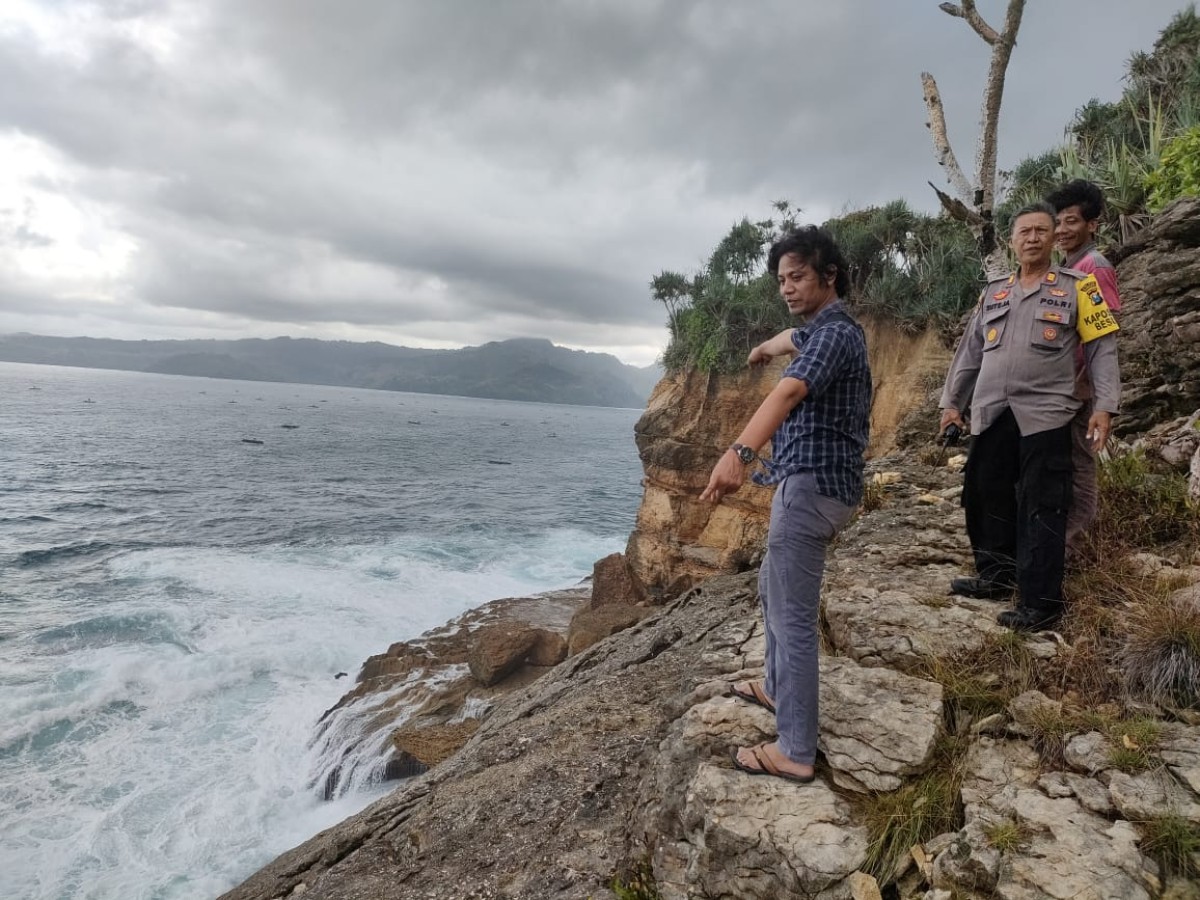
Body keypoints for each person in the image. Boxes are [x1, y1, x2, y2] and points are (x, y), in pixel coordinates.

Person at [700, 226, 871, 783]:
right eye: (781, 279)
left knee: (793, 618)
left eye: (798, 277)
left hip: (813, 487)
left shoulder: (835, 336)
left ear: (830, 276)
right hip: (804, 483)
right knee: (771, 590)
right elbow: (789, 341)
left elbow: (790, 390)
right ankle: (776, 690)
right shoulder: (821, 331)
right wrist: (763, 347)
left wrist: (738, 454)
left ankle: (795, 750)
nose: (788, 288)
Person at [940, 202, 1121, 631]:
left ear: (1055, 237)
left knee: (1043, 506)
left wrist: (1104, 406)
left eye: (1043, 230)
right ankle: (996, 576)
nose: (1034, 238)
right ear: (1012, 240)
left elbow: (1102, 349)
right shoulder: (994, 292)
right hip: (992, 410)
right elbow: (970, 352)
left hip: (1048, 413)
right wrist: (952, 403)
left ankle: (1041, 604)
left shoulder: (1082, 287)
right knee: (987, 495)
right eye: (1025, 231)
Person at [1045, 179, 1123, 559]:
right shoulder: (1068, 266)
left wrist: (1100, 402)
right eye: (1057, 222)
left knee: (1079, 469)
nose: (1062, 230)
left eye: (1072, 221)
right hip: (1057, 391)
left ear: (1092, 225)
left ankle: (1072, 550)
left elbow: (1101, 338)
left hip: (1079, 392)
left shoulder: (1094, 266)